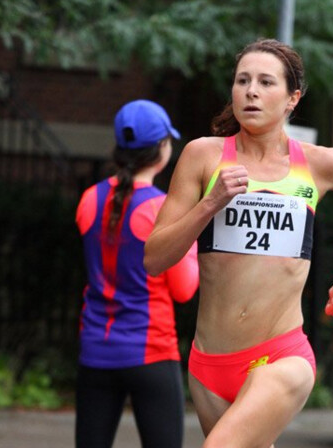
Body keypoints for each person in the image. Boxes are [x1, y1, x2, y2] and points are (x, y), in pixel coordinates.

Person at [144, 39, 333, 448]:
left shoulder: (320, 163)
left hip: (282, 355)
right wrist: (210, 204)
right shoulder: (202, 156)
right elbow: (154, 259)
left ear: (292, 98)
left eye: (265, 82)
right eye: (242, 81)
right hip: (209, 365)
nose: (251, 92)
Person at [74, 99, 199, 448]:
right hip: (151, 352)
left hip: (96, 350)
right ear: (161, 149)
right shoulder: (162, 208)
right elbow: (184, 289)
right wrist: (191, 242)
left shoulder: (89, 198)